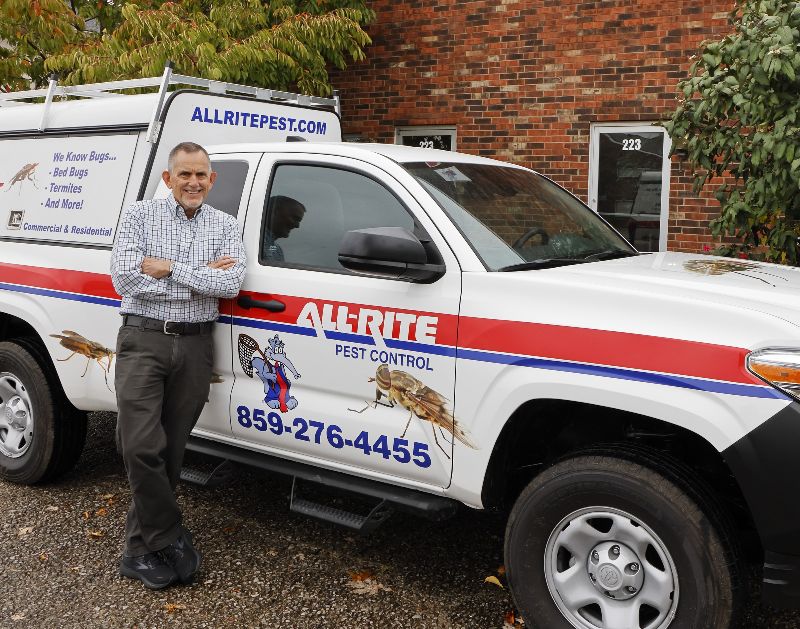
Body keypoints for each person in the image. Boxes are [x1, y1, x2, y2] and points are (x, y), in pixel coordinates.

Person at [110, 142, 246, 590]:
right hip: (143, 339)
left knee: (171, 449)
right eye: (184, 174)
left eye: (201, 175)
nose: (193, 183)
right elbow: (124, 278)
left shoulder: (226, 225)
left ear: (212, 180)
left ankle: (138, 550)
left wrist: (168, 269)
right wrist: (198, 276)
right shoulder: (138, 216)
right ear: (168, 179)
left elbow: (229, 283)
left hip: (195, 347)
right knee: (141, 446)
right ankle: (168, 534)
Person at [262, 194, 305, 261]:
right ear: (275, 212)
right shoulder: (253, 243)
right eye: (295, 218)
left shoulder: (276, 250)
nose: (297, 226)